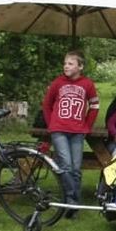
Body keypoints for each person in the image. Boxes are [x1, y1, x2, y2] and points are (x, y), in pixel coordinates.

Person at [41, 51, 99, 215]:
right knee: (65, 164)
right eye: (65, 63)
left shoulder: (87, 84)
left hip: (78, 131)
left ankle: (71, 204)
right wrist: (51, 124)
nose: (66, 66)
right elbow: (46, 105)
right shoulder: (58, 83)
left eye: (70, 63)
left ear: (80, 67)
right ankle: (72, 200)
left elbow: (94, 106)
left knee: (76, 168)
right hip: (59, 129)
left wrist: (87, 126)